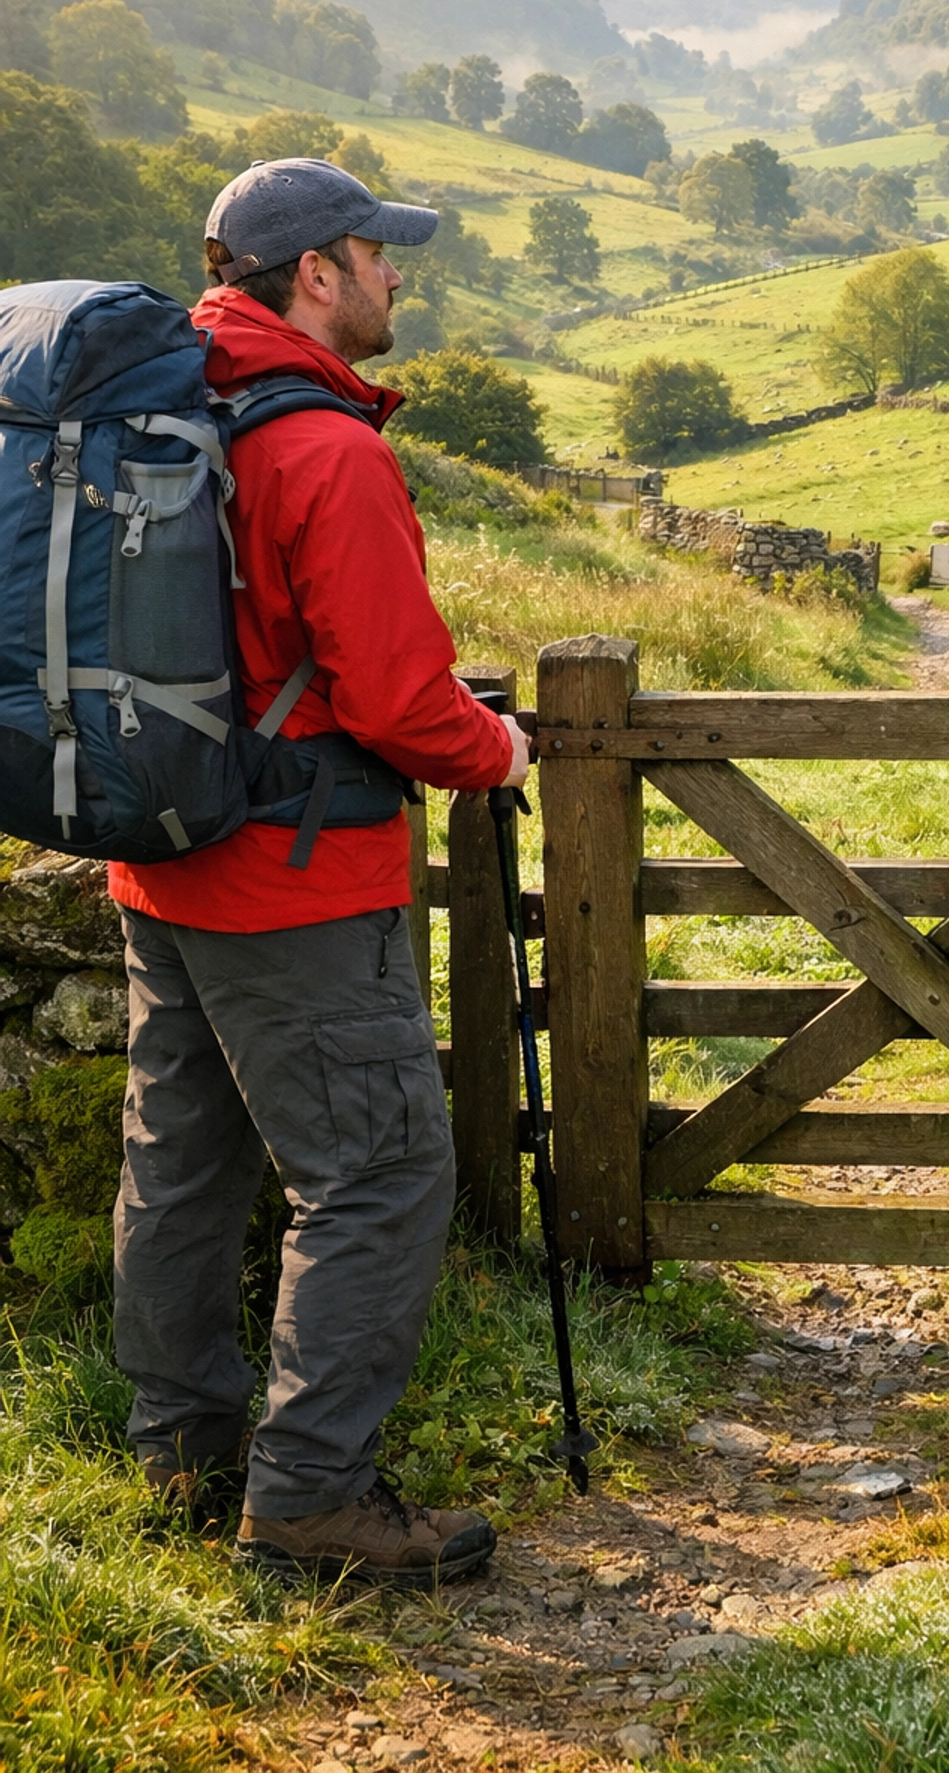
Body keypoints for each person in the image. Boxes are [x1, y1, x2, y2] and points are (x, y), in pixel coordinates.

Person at [107, 157, 529, 1588]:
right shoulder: (327, 449)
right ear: (313, 275)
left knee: (183, 1167)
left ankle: (183, 1454)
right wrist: (501, 753)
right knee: (383, 1173)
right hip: (297, 879)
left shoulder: (172, 399)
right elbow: (402, 706)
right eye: (375, 252)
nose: (396, 275)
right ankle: (308, 1499)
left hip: (161, 857)